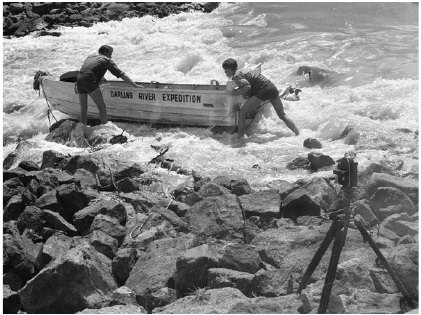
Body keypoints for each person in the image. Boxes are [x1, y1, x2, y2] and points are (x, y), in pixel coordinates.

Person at [222, 58, 299, 138]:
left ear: (231, 69)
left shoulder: (237, 76)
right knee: (282, 115)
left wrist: (235, 93)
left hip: (263, 91)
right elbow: (251, 83)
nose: (225, 72)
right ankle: (298, 133)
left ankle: (240, 139)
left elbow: (247, 86)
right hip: (272, 87)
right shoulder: (245, 70)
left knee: (242, 114)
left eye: (226, 70)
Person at [76, 45, 142, 125]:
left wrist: (78, 84)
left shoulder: (90, 57)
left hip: (79, 79)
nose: (111, 56)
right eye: (110, 53)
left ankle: (82, 128)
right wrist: (135, 85)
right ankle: (105, 126)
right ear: (105, 52)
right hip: (89, 80)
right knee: (101, 107)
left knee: (83, 108)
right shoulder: (107, 60)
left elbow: (86, 70)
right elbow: (121, 74)